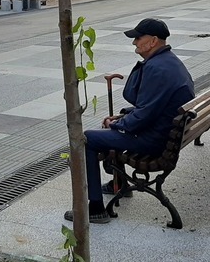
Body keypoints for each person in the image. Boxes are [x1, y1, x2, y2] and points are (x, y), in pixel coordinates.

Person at [63, 18, 195, 224]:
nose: (134, 43)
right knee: (108, 131)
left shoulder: (156, 69)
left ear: (152, 41)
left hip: (154, 140)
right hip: (168, 132)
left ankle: (95, 207)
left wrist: (117, 124)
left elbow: (144, 116)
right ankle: (120, 184)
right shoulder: (170, 61)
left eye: (137, 38)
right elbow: (154, 106)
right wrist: (123, 116)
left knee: (87, 138)